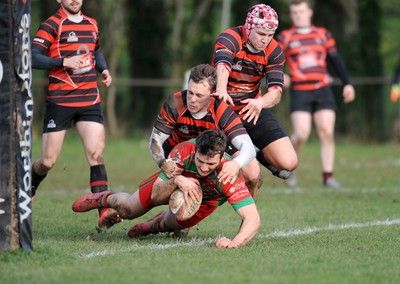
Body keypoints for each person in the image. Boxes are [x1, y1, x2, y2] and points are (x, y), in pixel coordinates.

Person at [72, 129, 261, 248]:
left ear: (221, 158)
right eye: (200, 161)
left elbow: (252, 218)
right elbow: (156, 194)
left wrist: (234, 243)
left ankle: (151, 226)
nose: (203, 168)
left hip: (206, 198)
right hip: (173, 181)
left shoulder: (228, 174)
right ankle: (103, 198)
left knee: (176, 220)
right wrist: (178, 180)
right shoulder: (184, 152)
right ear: (195, 152)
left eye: (210, 164)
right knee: (128, 209)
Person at [30, 0, 118, 228]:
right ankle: (27, 189)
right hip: (60, 101)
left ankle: (103, 210)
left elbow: (95, 49)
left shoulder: (92, 24)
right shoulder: (52, 25)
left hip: (89, 99)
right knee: (48, 161)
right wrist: (63, 61)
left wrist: (104, 69)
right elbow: (32, 56)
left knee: (96, 153)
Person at [212, 4, 298, 198]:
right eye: (261, 34)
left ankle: (259, 152)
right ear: (249, 28)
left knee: (289, 162)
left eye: (270, 35)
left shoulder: (274, 50)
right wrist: (221, 90)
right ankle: (250, 221)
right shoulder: (230, 37)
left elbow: (276, 93)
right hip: (224, 109)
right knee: (251, 174)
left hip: (253, 108)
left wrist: (260, 103)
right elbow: (223, 66)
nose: (265, 40)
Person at [277, 0, 356, 188]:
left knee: (327, 131)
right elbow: (274, 62)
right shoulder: (285, 37)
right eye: (294, 12)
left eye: (301, 11)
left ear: (309, 12)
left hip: (323, 89)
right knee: (302, 134)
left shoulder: (322, 34)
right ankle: (288, 167)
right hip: (300, 90)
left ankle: (328, 177)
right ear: (291, 15)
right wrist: (281, 76)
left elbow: (336, 60)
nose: (298, 15)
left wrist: (347, 83)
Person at [149, 64, 258, 198]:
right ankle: (158, 218)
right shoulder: (176, 102)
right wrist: (163, 162)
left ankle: (250, 217)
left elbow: (249, 148)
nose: (192, 99)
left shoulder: (220, 108)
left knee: (252, 172)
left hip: (207, 158)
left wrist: (236, 164)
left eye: (199, 95)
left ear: (212, 95)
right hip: (176, 160)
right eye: (190, 92)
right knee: (129, 208)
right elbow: (155, 140)